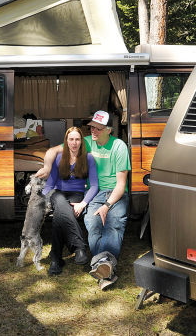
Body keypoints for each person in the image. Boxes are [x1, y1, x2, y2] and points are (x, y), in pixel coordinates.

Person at [37, 110, 130, 289]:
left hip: (115, 194)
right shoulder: (85, 142)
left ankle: (102, 267)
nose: (93, 131)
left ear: (109, 130)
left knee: (114, 224)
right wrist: (48, 168)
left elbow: (121, 184)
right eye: (91, 127)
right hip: (94, 193)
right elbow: (52, 151)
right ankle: (104, 266)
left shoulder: (119, 147)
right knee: (92, 223)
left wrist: (107, 205)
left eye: (98, 128)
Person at [42, 127, 98, 276]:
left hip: (77, 195)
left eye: (77, 139)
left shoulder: (88, 158)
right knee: (60, 203)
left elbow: (94, 185)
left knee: (59, 218)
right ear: (66, 141)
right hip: (58, 192)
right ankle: (79, 247)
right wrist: (41, 197)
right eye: (71, 139)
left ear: (81, 141)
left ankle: (56, 259)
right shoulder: (59, 158)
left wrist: (83, 203)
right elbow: (50, 183)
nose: (74, 143)